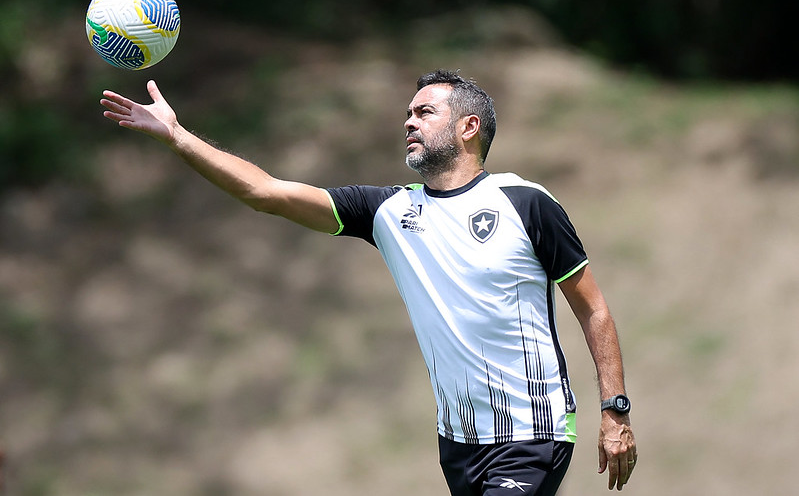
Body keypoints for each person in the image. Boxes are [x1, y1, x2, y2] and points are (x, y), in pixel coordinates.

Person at [100, 69, 637, 494]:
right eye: (407, 113)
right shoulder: (389, 211)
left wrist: (614, 411)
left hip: (531, 435)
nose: (408, 121)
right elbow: (267, 192)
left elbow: (593, 309)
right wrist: (177, 137)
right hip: (458, 445)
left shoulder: (526, 203)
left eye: (425, 112)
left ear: (469, 127)